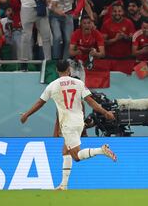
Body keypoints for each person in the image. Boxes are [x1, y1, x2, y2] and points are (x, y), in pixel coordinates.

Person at [20, 60, 117, 190]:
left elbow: (40, 103)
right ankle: (63, 185)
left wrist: (27, 114)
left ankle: (101, 150)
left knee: (76, 156)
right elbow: (90, 102)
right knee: (65, 150)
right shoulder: (79, 83)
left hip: (67, 123)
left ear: (56, 71)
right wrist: (105, 112)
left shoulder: (52, 86)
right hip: (78, 121)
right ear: (69, 69)